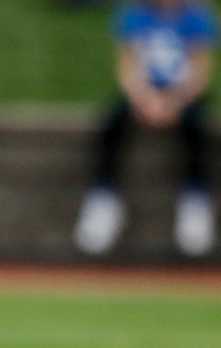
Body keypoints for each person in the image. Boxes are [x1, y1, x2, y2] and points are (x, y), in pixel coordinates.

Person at [75, 0, 219, 257]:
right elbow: (128, 65)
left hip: (183, 96)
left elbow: (201, 69)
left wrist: (175, 102)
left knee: (196, 128)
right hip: (143, 95)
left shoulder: (197, 15)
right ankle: (103, 199)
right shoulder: (135, 14)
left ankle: (195, 203)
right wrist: (145, 100)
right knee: (111, 124)